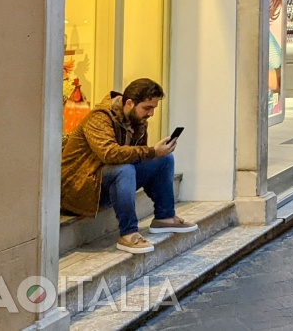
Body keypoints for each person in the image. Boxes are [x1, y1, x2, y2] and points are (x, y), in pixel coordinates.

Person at [60, 79, 197, 254]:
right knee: (125, 169)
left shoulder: (138, 121)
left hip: (105, 182)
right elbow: (109, 154)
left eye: (154, 108)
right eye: (147, 108)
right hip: (79, 190)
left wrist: (155, 154)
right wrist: (152, 151)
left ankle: (165, 217)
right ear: (129, 103)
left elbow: (139, 157)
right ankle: (128, 233)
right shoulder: (99, 118)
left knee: (164, 160)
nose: (151, 113)